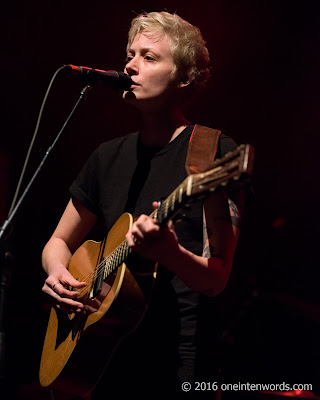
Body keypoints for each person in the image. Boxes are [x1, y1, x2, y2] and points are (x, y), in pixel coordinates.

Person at [41, 11, 246, 399]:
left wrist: (168, 252)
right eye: (129, 54)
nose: (130, 65)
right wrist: (56, 273)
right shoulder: (107, 157)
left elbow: (216, 279)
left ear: (184, 77)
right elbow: (58, 242)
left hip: (179, 360)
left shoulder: (213, 154)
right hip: (105, 356)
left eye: (149, 57)